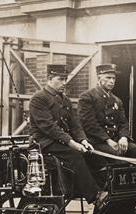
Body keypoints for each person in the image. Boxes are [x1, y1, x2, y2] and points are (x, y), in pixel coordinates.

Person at [29, 63, 108, 206]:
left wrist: (83, 141)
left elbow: (74, 124)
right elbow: (48, 127)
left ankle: (105, 191)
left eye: (65, 79)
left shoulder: (65, 100)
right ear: (49, 78)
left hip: (60, 141)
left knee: (93, 154)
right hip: (44, 142)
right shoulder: (39, 98)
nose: (64, 83)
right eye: (60, 79)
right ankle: (95, 196)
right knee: (74, 154)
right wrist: (72, 143)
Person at [79, 63, 136, 160]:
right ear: (99, 78)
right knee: (116, 155)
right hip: (97, 141)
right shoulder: (87, 97)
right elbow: (89, 124)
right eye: (108, 78)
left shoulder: (117, 100)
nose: (112, 81)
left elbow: (123, 123)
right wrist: (107, 140)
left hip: (115, 139)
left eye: (114, 78)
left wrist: (123, 137)